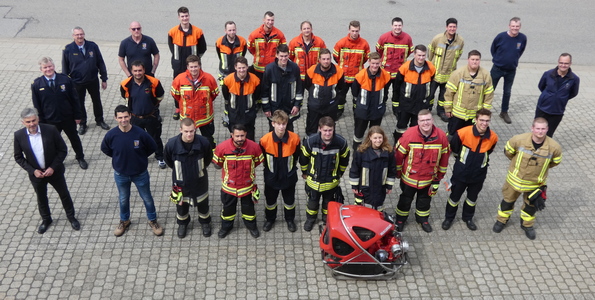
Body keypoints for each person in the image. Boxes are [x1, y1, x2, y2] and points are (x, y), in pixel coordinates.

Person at [492, 118, 562, 240]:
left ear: (547, 129)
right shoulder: (518, 140)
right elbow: (508, 152)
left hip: (534, 185)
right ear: (532, 128)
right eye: (538, 128)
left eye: (543, 129)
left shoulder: (554, 147)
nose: (540, 132)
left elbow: (555, 162)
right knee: (507, 202)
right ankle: (501, 221)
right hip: (514, 181)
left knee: (530, 207)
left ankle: (527, 225)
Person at [14, 108, 80, 234]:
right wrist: (33, 171)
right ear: (23, 123)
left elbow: (62, 150)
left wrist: (52, 167)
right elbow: (18, 157)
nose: (32, 124)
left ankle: (71, 217)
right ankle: (46, 219)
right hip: (37, 175)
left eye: (34, 120)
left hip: (54, 172)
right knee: (41, 198)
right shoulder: (19, 135)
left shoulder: (50, 130)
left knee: (64, 195)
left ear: (38, 119)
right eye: (28, 122)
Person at [101, 105, 163, 237]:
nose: (123, 120)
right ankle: (124, 220)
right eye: (120, 117)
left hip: (140, 174)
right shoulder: (111, 135)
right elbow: (105, 149)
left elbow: (152, 146)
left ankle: (153, 221)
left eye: (126, 117)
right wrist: (118, 157)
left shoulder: (140, 133)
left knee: (147, 198)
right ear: (116, 118)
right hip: (121, 174)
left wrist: (141, 157)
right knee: (123, 199)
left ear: (130, 116)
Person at [442, 109, 498, 231]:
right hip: (461, 173)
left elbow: (489, 151)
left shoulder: (493, 137)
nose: (484, 123)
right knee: (454, 198)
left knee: (472, 199)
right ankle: (449, 218)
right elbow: (455, 148)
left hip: (478, 175)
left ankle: (468, 218)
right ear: (476, 120)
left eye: (487, 121)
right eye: (481, 120)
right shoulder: (463, 133)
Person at [394, 109, 449, 233]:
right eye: (422, 120)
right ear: (418, 122)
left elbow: (444, 160)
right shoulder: (409, 135)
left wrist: (438, 178)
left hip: (428, 179)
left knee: (424, 201)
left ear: (432, 120)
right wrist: (397, 173)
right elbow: (398, 156)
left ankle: (422, 219)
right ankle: (400, 220)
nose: (426, 123)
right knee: (405, 200)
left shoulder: (441, 137)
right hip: (409, 179)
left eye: (428, 120)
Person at [32, 57, 88, 170]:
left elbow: (75, 99)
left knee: (74, 139)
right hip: (50, 120)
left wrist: (78, 116)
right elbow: (37, 106)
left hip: (67, 118)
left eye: (50, 66)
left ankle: (80, 157)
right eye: (45, 67)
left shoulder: (65, 80)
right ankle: (57, 161)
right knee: (52, 142)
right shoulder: (37, 84)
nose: (48, 69)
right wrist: (41, 122)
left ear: (54, 66)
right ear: (41, 69)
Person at [163, 118, 213, 238]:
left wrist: (200, 169)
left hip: (200, 181)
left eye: (191, 131)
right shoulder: (171, 144)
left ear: (195, 130)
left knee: (203, 204)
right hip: (180, 182)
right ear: (181, 130)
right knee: (181, 206)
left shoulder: (203, 142)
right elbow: (168, 160)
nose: (189, 134)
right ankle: (182, 223)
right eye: (186, 131)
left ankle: (205, 223)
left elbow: (208, 158)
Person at [212, 124, 264, 239]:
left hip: (247, 187)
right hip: (229, 187)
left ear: (246, 134)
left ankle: (251, 226)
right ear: (232, 135)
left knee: (249, 210)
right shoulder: (222, 148)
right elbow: (218, 164)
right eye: (237, 136)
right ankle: (226, 227)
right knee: (227, 210)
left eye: (242, 136)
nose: (240, 139)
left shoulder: (254, 147)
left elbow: (257, 162)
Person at [300, 116, 350, 231]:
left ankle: (326, 219)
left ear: (334, 129)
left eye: (330, 130)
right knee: (312, 204)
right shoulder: (310, 142)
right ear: (320, 129)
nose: (328, 133)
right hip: (314, 182)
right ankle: (311, 219)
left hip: (330, 183)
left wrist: (339, 174)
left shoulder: (341, 143)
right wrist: (304, 172)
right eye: (325, 130)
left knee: (328, 204)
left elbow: (344, 160)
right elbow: (303, 159)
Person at [62, 26, 110, 135]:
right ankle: (82, 123)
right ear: (73, 36)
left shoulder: (92, 46)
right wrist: (66, 84)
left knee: (96, 100)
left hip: (92, 80)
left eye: (81, 34)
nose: (80, 36)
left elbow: (100, 62)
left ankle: (99, 120)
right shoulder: (68, 49)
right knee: (79, 103)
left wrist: (104, 78)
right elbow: (65, 68)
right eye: (77, 35)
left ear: (84, 34)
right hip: (77, 82)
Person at [259, 110, 301, 232]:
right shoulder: (265, 140)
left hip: (289, 177)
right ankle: (270, 220)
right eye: (279, 124)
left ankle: (290, 220)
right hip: (271, 178)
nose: (281, 126)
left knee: (289, 202)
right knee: (270, 202)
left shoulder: (295, 139)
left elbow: (297, 155)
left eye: (284, 123)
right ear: (273, 124)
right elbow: (261, 157)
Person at [119, 60, 166, 169]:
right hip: (135, 118)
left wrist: (152, 105)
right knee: (136, 140)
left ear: (144, 70)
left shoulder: (154, 82)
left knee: (156, 138)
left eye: (140, 70)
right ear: (131, 71)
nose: (138, 73)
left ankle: (160, 156)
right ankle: (141, 156)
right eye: (135, 71)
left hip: (151, 117)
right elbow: (125, 96)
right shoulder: (125, 84)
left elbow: (160, 96)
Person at [171, 55, 219, 149]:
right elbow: (176, 95)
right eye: (191, 67)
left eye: (196, 66)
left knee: (208, 138)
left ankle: (211, 154)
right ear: (187, 67)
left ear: (200, 66)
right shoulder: (179, 79)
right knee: (187, 138)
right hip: (187, 117)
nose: (194, 69)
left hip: (205, 117)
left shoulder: (209, 79)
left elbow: (214, 95)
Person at [168, 6, 207, 120]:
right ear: (178, 17)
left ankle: (196, 106)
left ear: (189, 16)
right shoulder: (172, 32)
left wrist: (196, 61)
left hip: (193, 67)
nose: (184, 18)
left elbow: (203, 48)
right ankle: (178, 108)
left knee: (196, 86)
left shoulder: (197, 32)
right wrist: (177, 59)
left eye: (186, 16)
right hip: (178, 66)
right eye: (182, 16)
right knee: (178, 86)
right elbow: (172, 47)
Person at [444, 50, 494, 138]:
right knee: (453, 134)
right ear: (468, 60)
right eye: (472, 59)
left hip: (474, 114)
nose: (474, 62)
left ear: (480, 61)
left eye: (477, 60)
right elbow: (449, 92)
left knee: (470, 136)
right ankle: (450, 149)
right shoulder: (458, 73)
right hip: (458, 113)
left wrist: (485, 112)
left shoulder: (485, 75)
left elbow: (488, 94)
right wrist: (448, 109)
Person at [393, 45, 436, 143]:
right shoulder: (405, 67)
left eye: (423, 55)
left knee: (416, 128)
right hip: (406, 104)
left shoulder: (431, 68)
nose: (421, 58)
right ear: (414, 54)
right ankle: (398, 143)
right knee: (401, 127)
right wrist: (395, 104)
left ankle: (412, 144)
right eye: (419, 55)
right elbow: (397, 87)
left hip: (421, 105)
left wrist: (429, 103)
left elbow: (432, 87)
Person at [349, 126, 396, 211]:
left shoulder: (389, 152)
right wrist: (354, 185)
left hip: (380, 188)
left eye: (380, 137)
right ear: (370, 137)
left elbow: (392, 170)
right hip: (364, 189)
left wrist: (389, 185)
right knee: (363, 208)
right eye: (375, 138)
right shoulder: (361, 152)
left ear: (383, 137)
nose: (378, 140)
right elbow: (355, 169)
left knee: (379, 207)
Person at [490, 17, 527, 124]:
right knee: (489, 90)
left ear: (520, 27)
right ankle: (484, 110)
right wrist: (499, 60)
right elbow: (493, 49)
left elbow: (520, 51)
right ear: (509, 26)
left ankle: (504, 112)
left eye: (517, 26)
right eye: (513, 26)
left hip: (511, 70)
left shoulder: (523, 38)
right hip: (497, 68)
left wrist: (512, 60)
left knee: (507, 92)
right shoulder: (501, 37)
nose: (515, 28)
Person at [351, 52, 392, 150]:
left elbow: (385, 92)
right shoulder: (360, 76)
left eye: (377, 63)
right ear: (369, 62)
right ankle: (357, 151)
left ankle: (372, 150)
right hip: (362, 111)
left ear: (380, 63)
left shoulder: (385, 76)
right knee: (358, 133)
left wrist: (382, 105)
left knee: (375, 133)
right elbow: (355, 92)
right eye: (373, 63)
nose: (375, 66)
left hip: (377, 110)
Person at [428, 18, 465, 122]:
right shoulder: (438, 38)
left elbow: (458, 55)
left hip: (449, 74)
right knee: (430, 94)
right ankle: (428, 109)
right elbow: (430, 53)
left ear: (456, 28)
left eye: (454, 27)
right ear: (446, 27)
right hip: (435, 74)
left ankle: (441, 111)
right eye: (450, 27)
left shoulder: (460, 41)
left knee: (444, 95)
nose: (452, 29)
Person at [535, 53, 580, 137]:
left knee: (549, 134)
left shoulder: (574, 79)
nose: (563, 65)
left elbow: (574, 93)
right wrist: (548, 96)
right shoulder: (548, 74)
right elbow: (541, 86)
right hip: (542, 109)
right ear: (558, 62)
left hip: (557, 111)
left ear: (570, 64)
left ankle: (545, 149)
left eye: (566, 63)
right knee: (537, 131)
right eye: (561, 62)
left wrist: (562, 98)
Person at [261, 44, 303, 132]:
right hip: (274, 108)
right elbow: (264, 90)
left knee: (289, 132)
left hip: (289, 107)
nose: (284, 59)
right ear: (276, 55)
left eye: (286, 56)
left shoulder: (294, 68)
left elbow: (299, 88)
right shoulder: (269, 69)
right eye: (281, 56)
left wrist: (297, 105)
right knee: (274, 133)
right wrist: (266, 108)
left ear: (289, 55)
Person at [248, 11, 286, 106]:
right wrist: (257, 56)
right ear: (263, 20)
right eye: (268, 20)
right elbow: (250, 48)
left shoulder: (279, 34)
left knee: (271, 86)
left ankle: (270, 103)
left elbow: (283, 49)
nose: (270, 22)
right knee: (258, 86)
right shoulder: (254, 34)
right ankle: (257, 103)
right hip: (258, 67)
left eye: (272, 20)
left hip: (273, 67)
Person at [333, 20, 370, 117]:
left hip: (357, 77)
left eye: (356, 31)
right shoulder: (341, 43)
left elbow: (366, 58)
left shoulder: (364, 44)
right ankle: (339, 111)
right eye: (352, 31)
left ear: (359, 30)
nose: (354, 33)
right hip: (343, 77)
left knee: (357, 97)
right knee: (340, 97)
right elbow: (335, 56)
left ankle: (356, 111)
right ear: (349, 30)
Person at [304, 48, 344, 136]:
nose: (326, 61)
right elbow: (307, 85)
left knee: (329, 130)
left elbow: (340, 87)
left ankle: (329, 147)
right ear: (319, 60)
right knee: (311, 129)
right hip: (315, 106)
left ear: (331, 59)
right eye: (324, 59)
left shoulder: (339, 71)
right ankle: (310, 146)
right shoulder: (311, 71)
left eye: (328, 59)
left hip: (331, 107)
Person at [376, 17, 413, 106]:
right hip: (386, 71)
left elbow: (409, 52)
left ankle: (396, 109)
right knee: (383, 92)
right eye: (395, 25)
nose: (397, 27)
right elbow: (379, 50)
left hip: (399, 72)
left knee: (398, 92)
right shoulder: (384, 37)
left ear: (402, 26)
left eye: (399, 25)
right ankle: (382, 106)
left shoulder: (407, 38)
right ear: (392, 26)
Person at [222, 57, 260, 141]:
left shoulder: (255, 80)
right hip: (234, 114)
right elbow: (226, 95)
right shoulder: (228, 80)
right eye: (239, 68)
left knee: (250, 137)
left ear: (247, 67)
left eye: (243, 67)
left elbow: (257, 95)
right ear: (235, 67)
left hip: (249, 114)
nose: (241, 70)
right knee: (235, 137)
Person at [289, 21, 327, 90]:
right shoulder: (294, 42)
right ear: (301, 30)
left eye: (308, 28)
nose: (306, 30)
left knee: (314, 98)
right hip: (300, 76)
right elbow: (290, 57)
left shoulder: (319, 42)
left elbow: (325, 56)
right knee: (299, 97)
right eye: (304, 29)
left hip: (314, 75)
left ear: (311, 29)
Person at [215, 21, 248, 100]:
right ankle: (227, 104)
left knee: (236, 90)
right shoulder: (219, 42)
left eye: (233, 30)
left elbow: (243, 54)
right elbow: (219, 55)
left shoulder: (242, 41)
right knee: (225, 90)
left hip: (237, 72)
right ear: (225, 31)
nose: (232, 32)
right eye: (229, 30)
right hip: (224, 72)